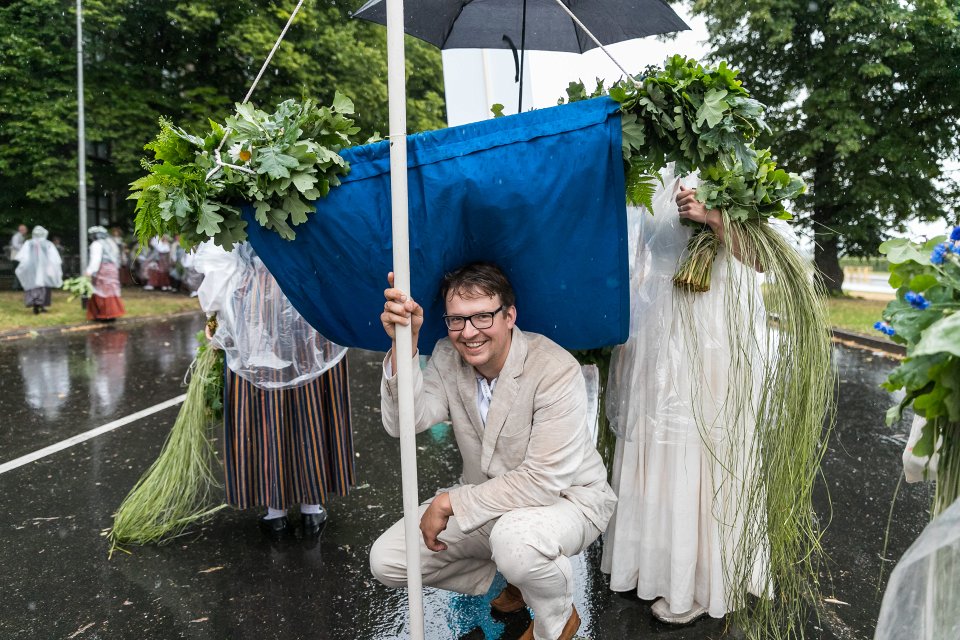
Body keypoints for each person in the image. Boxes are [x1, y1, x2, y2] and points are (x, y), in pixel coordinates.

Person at [370, 262, 616, 640]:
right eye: (456, 320)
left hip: (566, 501)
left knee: (516, 543)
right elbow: (405, 421)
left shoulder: (554, 369)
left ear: (509, 316)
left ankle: (556, 615)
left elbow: (542, 481)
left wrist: (449, 502)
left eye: (482, 317)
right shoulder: (446, 356)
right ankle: (523, 577)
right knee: (387, 561)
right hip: (490, 508)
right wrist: (405, 342)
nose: (469, 333)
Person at [600, 168, 768, 624]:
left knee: (698, 440)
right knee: (652, 441)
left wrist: (714, 217)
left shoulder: (731, 162)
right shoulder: (646, 168)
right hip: (654, 323)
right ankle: (648, 563)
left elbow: (762, 259)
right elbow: (637, 252)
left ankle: (695, 580)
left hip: (709, 326)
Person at [195, 241, 355, 539]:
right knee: (311, 403)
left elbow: (220, 257)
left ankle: (275, 512)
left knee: (262, 404)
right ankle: (311, 506)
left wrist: (215, 315)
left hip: (253, 300)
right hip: (307, 294)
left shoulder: (228, 196)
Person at [14, 225, 62, 314]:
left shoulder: (29, 243)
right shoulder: (48, 244)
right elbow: (54, 258)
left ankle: (35, 304)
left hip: (32, 267)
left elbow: (23, 256)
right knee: (43, 284)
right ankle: (42, 305)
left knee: (34, 284)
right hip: (44, 267)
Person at [84, 225, 126, 321]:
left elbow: (96, 260)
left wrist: (89, 271)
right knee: (111, 290)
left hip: (103, 270)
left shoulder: (96, 244)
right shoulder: (111, 242)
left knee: (101, 291)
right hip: (113, 269)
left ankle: (104, 315)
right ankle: (112, 314)